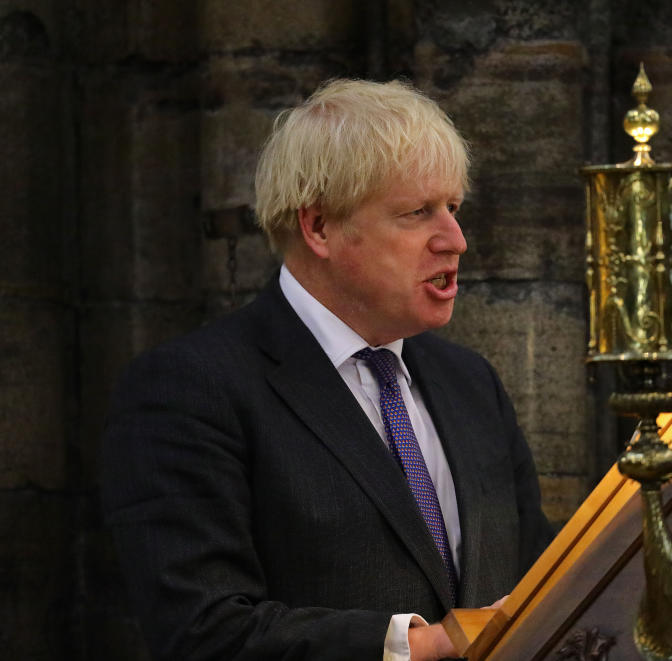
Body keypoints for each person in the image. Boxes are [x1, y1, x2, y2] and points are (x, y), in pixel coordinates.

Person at [100, 78, 555, 661]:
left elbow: (540, 581)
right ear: (319, 228)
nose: (456, 240)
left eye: (454, 208)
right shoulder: (190, 388)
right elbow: (202, 631)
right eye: (418, 213)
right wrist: (425, 646)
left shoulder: (471, 384)